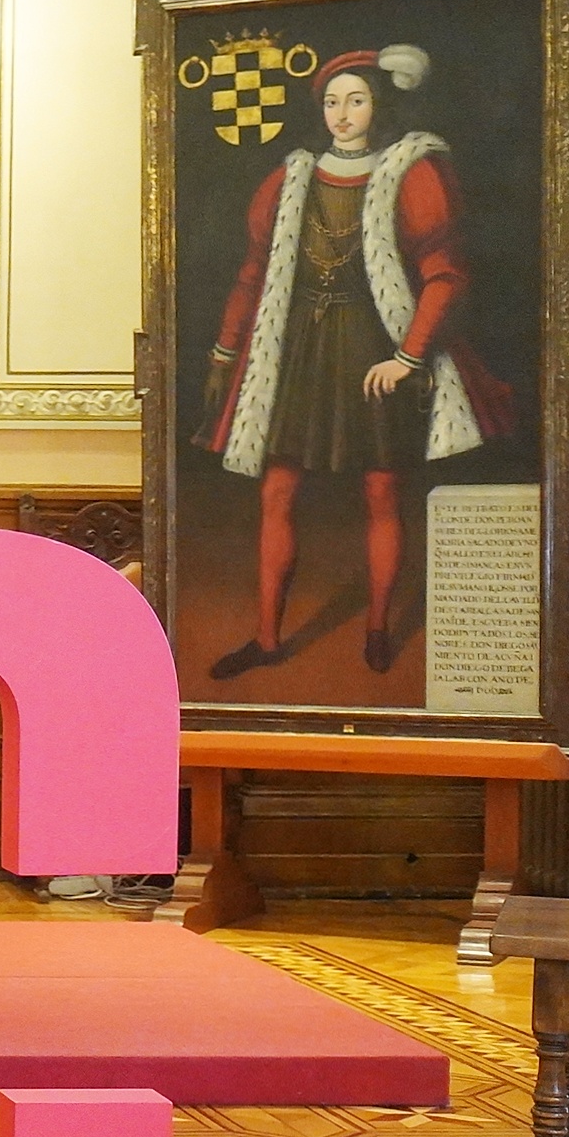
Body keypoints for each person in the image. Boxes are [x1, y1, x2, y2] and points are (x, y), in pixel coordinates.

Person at [196, 43, 509, 681]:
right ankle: (266, 637)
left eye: (357, 100)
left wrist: (407, 356)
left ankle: (376, 630)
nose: (342, 115)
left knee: (381, 490)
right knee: (277, 490)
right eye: (333, 103)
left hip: (374, 347)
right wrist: (227, 346)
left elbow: (445, 276)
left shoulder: (412, 173)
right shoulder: (290, 179)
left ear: (378, 104)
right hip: (298, 350)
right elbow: (254, 273)